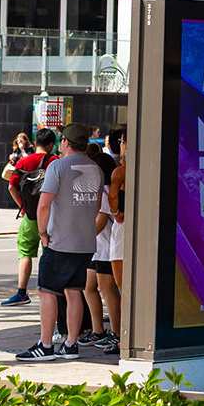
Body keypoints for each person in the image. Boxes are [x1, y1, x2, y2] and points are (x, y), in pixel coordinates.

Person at [17, 123, 105, 362]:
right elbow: (96, 206)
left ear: (65, 142)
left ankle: (45, 345)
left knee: (47, 291)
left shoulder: (58, 166)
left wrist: (43, 233)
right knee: (74, 291)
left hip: (60, 240)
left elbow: (44, 204)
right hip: (85, 241)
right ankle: (71, 344)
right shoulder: (95, 169)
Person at [1, 128, 57, 307]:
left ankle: (21, 292)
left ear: (36, 142)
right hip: (51, 215)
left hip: (30, 215)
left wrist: (23, 206)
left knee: (25, 253)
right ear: (51, 145)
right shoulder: (55, 161)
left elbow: (11, 187)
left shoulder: (24, 162)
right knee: (50, 253)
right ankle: (51, 291)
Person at [88, 128, 126, 353]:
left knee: (112, 289)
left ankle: (116, 332)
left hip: (107, 247)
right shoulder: (111, 182)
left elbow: (112, 213)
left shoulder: (113, 181)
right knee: (97, 287)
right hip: (104, 247)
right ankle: (109, 331)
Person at [80, 132, 118, 350]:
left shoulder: (104, 191)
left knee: (107, 290)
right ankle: (98, 330)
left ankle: (115, 331)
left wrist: (80, 238)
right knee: (90, 287)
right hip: (96, 249)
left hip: (104, 248)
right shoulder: (98, 190)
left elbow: (101, 221)